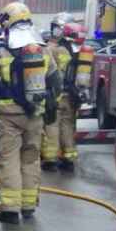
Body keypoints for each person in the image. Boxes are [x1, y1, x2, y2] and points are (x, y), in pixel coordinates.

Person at [0, 1, 60, 224]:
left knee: (9, 160)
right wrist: (52, 108)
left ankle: (10, 209)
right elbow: (55, 81)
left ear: (7, 24)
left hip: (9, 116)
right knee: (31, 160)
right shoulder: (43, 49)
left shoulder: (0, 52)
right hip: (35, 115)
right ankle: (29, 205)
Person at [42, 15, 88, 173]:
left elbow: (48, 71)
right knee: (67, 126)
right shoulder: (79, 50)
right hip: (72, 95)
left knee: (52, 125)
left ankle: (50, 159)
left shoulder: (54, 49)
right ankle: (68, 158)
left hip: (57, 94)